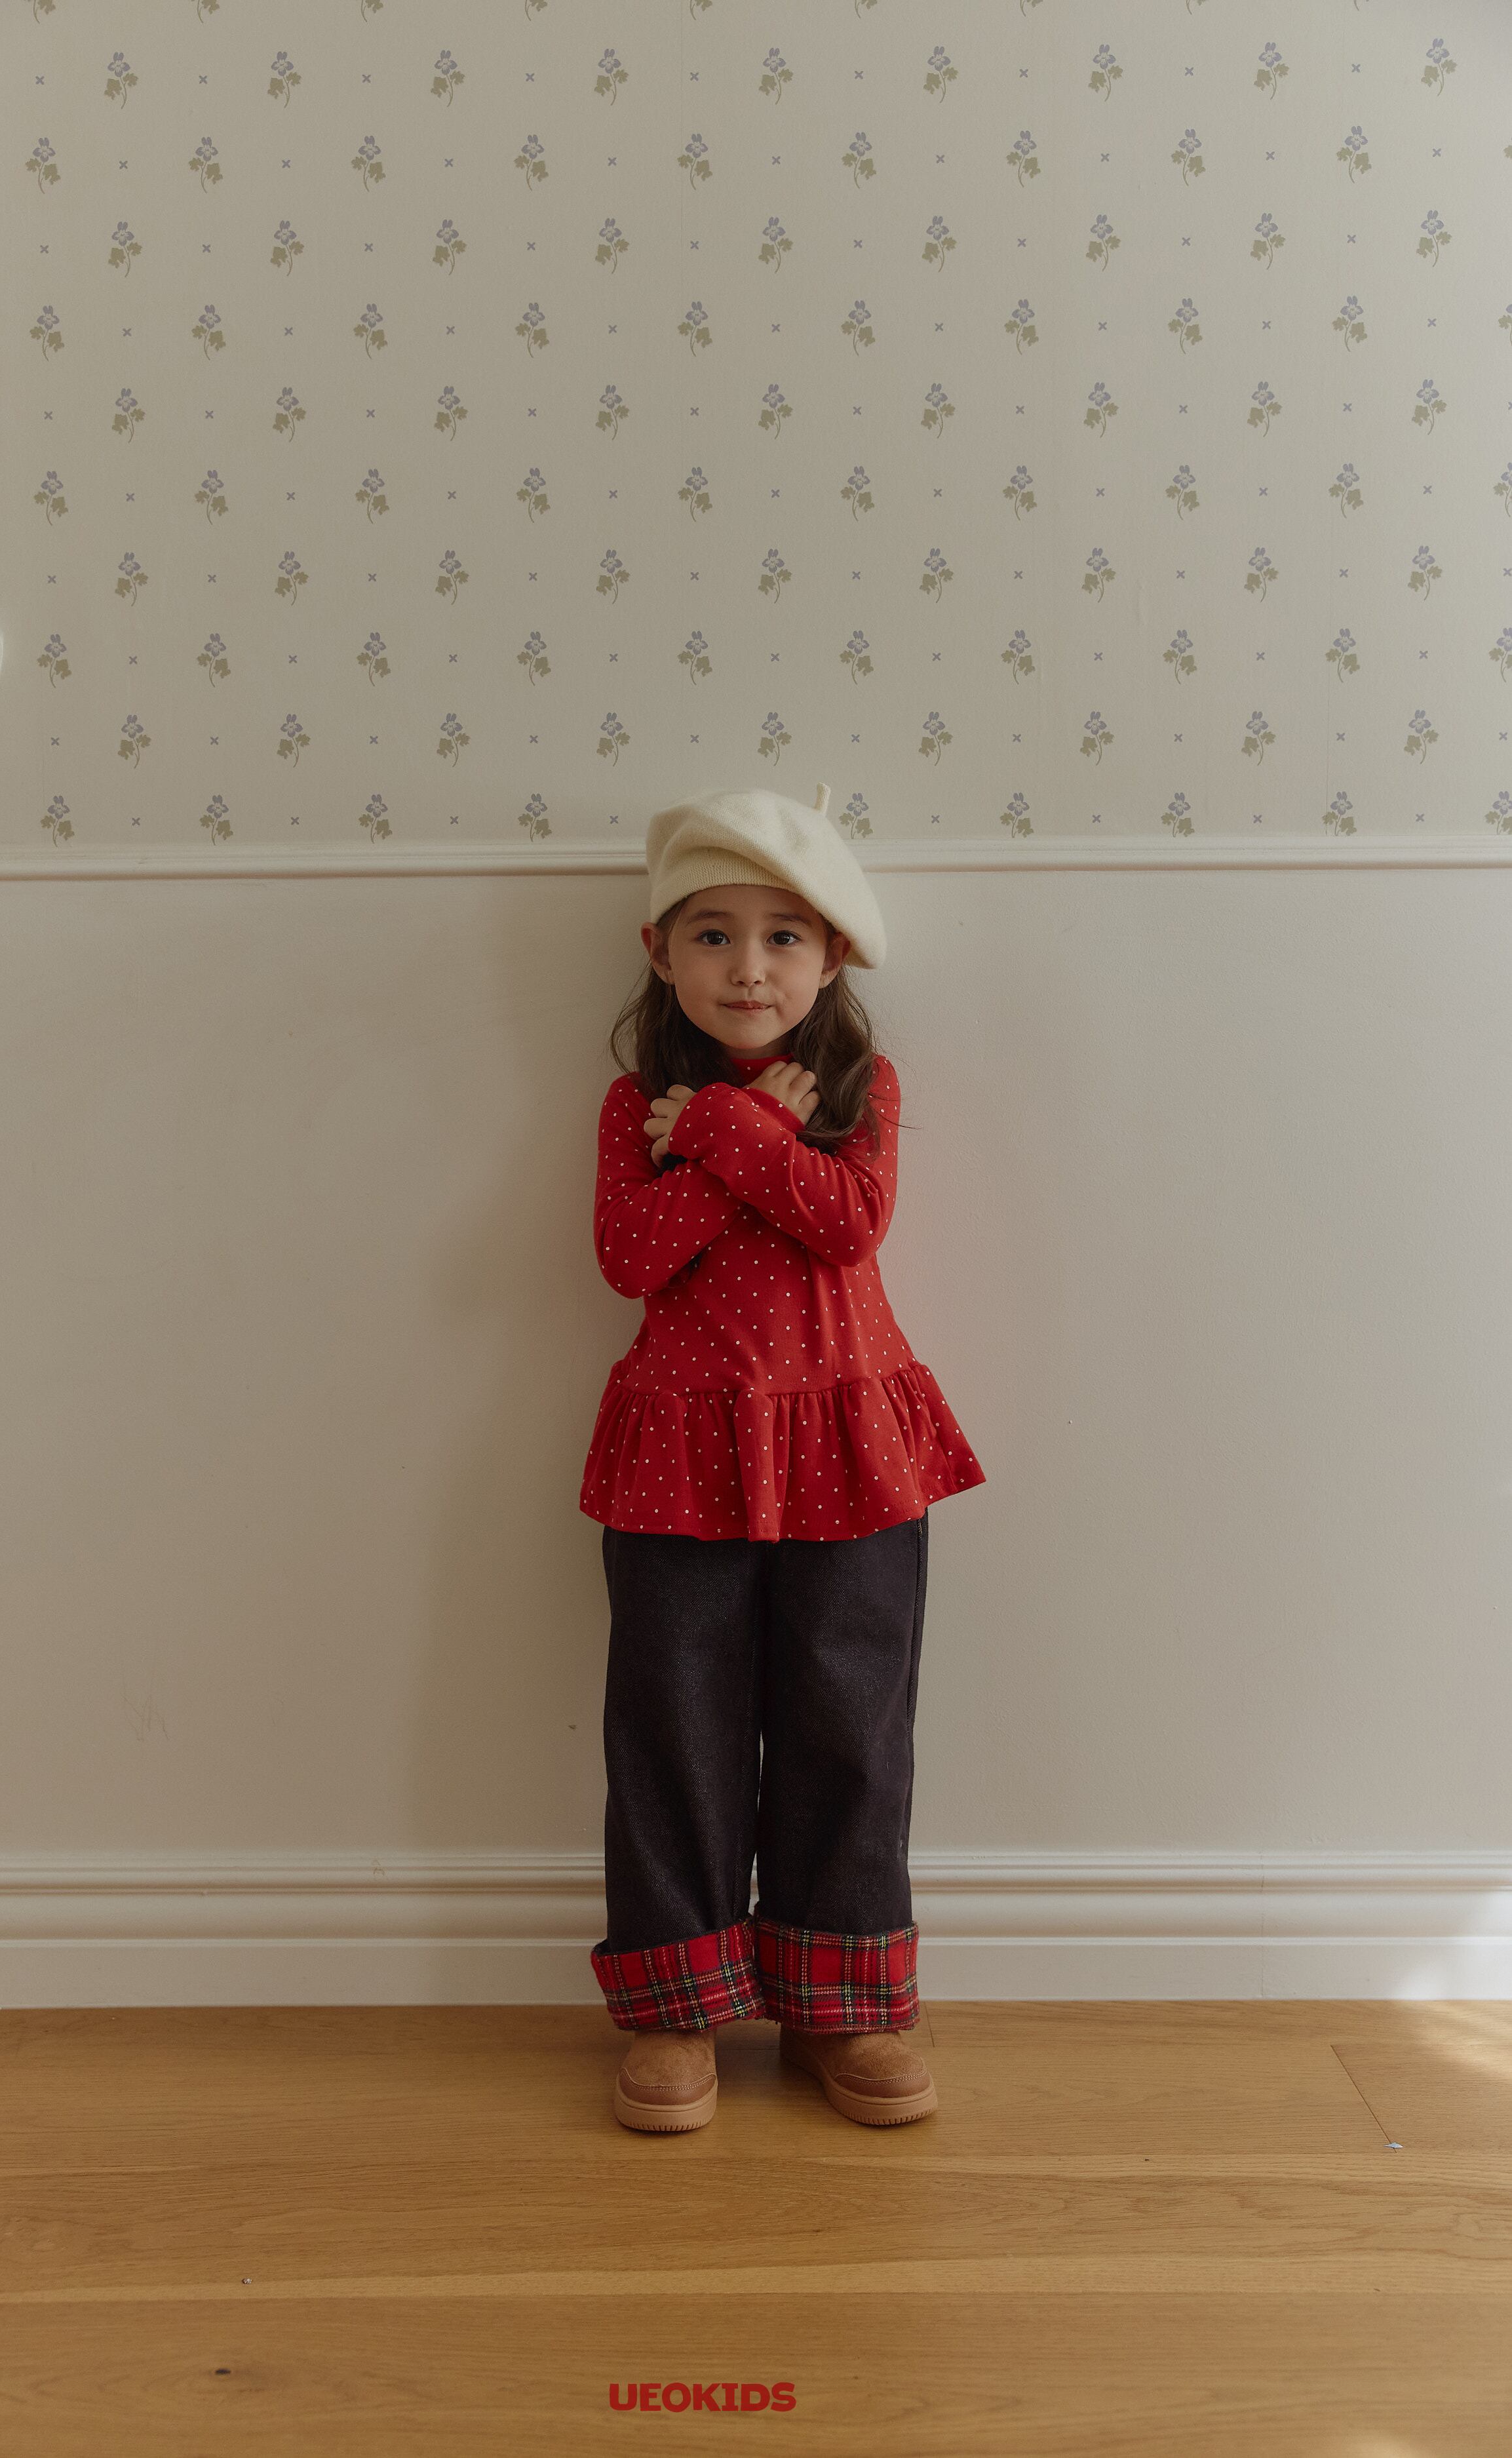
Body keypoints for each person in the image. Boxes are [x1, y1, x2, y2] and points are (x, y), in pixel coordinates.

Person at [580, 781, 986, 2134]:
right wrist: (722, 1132)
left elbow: (847, 1223)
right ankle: (677, 2005)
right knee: (672, 1724)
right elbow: (630, 1256)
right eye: (712, 933)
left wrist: (722, 1131)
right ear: (660, 951)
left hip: (847, 1450)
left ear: (832, 956)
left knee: (848, 1722)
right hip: (679, 1455)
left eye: (782, 936)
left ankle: (842, 2002)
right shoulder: (631, 1107)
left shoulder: (859, 1096)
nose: (747, 967)